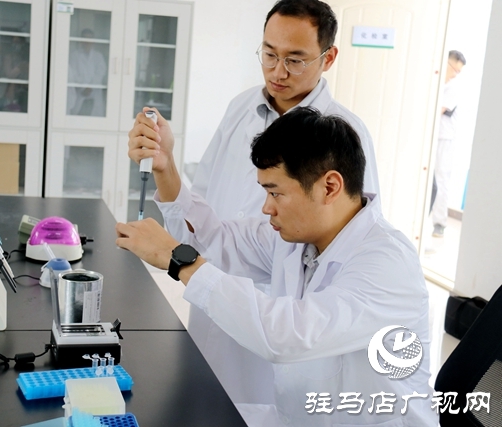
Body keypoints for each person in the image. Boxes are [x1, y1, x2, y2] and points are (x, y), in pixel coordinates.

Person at [128, 0, 380, 410]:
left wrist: (183, 261)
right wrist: (165, 164)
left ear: (328, 57)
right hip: (213, 302)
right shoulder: (241, 108)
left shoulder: (344, 137)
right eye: (269, 54)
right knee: (202, 404)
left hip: (280, 327)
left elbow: (343, 261)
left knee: (262, 407)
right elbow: (207, 226)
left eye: (295, 60)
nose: (278, 72)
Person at [117, 107, 435, 426]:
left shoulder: (388, 263)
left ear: (329, 187)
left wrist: (179, 260)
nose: (267, 207)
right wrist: (165, 167)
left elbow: (287, 335)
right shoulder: (295, 239)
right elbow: (214, 242)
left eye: (275, 193)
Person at [430, 50, 466, 238]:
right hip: (432, 137)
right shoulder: (435, 81)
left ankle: (439, 224)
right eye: (455, 70)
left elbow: (437, 111)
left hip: (444, 139)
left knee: (441, 179)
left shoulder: (453, 88)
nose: (455, 75)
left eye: (459, 72)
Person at [68, 28, 108, 117]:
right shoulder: (74, 56)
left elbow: (101, 72)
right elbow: (72, 73)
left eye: (89, 38)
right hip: (80, 92)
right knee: (78, 118)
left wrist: (91, 87)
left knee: (95, 119)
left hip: (94, 92)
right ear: (81, 40)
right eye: (84, 38)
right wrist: (84, 87)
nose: (87, 41)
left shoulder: (98, 56)